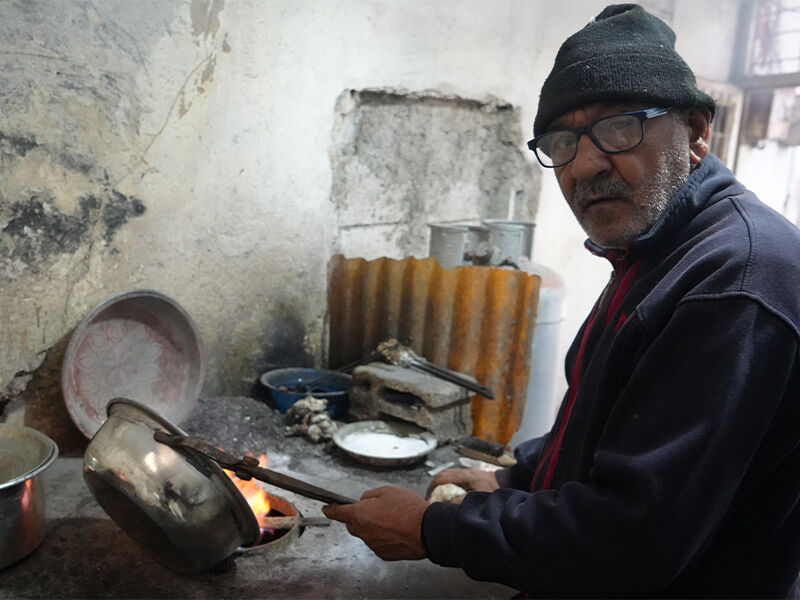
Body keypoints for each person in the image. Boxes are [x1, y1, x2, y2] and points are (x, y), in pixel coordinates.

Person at [323, 4, 800, 597]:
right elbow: (609, 423)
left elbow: (634, 537)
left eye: (620, 127)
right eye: (562, 142)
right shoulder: (655, 250)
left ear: (697, 132)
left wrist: (436, 529)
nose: (587, 165)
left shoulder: (737, 280)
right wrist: (515, 477)